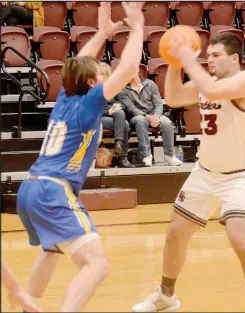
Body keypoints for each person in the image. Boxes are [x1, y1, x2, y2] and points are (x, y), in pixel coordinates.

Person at [16, 2, 144, 312]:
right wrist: (138, 26)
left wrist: (102, 33)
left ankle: (26, 307)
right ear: (91, 83)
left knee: (51, 250)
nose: (103, 75)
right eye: (99, 74)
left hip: (30, 188)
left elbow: (80, 61)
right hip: (52, 190)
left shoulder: (65, 95)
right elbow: (127, 69)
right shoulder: (89, 102)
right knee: (97, 265)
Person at [132, 32, 245, 313]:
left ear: (235, 58)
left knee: (240, 239)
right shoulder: (206, 83)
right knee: (175, 235)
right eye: (207, 55)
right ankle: (166, 296)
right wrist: (174, 63)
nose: (209, 59)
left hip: (239, 176)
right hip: (205, 173)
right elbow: (172, 97)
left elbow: (211, 90)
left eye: (216, 55)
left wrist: (187, 58)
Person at [117, 71, 182, 166]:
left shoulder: (150, 84)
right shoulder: (123, 90)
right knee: (140, 120)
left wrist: (156, 116)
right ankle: (146, 156)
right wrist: (148, 117)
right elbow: (132, 109)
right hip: (136, 117)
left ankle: (169, 156)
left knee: (167, 123)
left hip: (154, 114)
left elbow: (159, 104)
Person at [99, 62, 133, 168]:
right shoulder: (91, 90)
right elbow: (89, 109)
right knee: (125, 124)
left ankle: (119, 145)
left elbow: (123, 103)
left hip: (115, 118)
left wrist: (117, 106)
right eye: (101, 74)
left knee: (122, 116)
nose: (103, 77)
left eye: (105, 75)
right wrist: (107, 111)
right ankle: (122, 157)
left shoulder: (114, 88)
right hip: (98, 118)